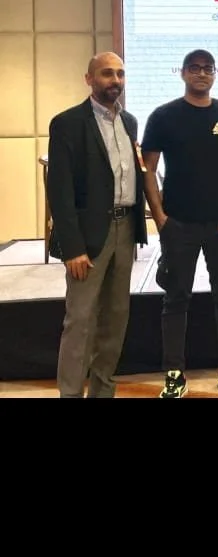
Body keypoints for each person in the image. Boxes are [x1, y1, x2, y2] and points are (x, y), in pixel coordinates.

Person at [142, 50, 218, 399]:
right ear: (184, 73)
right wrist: (160, 218)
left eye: (208, 69)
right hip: (179, 225)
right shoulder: (163, 116)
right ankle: (175, 373)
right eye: (195, 69)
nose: (202, 74)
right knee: (175, 299)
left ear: (215, 74)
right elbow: (148, 171)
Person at [47, 52, 147, 399]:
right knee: (80, 322)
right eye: (107, 74)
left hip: (125, 232)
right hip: (88, 239)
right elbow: (59, 192)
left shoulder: (130, 121)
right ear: (89, 79)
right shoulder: (68, 123)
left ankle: (103, 392)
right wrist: (72, 247)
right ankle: (71, 394)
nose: (115, 81)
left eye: (120, 74)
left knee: (115, 320)